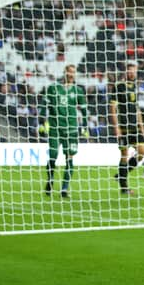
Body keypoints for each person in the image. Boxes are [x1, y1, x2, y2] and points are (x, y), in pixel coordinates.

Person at [39, 64, 88, 198]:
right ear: (65, 72)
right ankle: (50, 180)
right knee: (53, 156)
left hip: (71, 130)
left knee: (70, 158)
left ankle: (64, 189)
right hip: (55, 128)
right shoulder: (53, 88)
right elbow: (44, 106)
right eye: (69, 72)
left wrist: (85, 126)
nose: (71, 74)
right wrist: (42, 123)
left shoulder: (78, 91)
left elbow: (84, 111)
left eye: (74, 72)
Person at [109, 61, 144, 195]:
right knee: (124, 155)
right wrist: (116, 127)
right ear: (126, 72)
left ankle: (121, 175)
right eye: (129, 70)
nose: (132, 73)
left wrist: (141, 126)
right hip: (123, 127)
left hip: (135, 127)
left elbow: (136, 109)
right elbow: (112, 108)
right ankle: (124, 187)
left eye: (134, 70)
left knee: (143, 152)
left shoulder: (134, 87)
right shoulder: (119, 86)